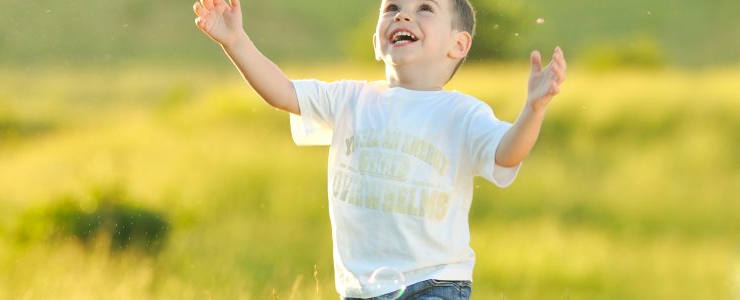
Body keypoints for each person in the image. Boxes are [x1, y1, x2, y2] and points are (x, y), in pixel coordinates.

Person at [192, 0, 567, 298]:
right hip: (361, 288)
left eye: (425, 8)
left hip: (435, 282)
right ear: (376, 41)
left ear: (458, 44)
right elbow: (283, 93)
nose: (403, 13)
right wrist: (237, 41)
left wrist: (533, 110)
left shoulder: (461, 113)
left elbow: (506, 153)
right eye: (391, 8)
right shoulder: (350, 99)